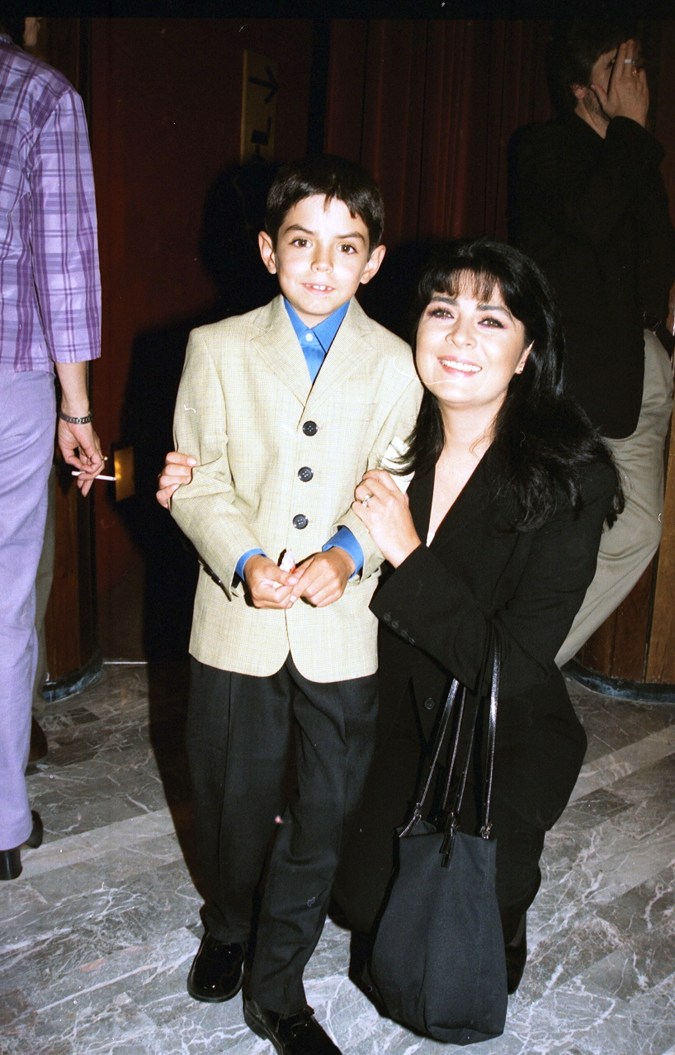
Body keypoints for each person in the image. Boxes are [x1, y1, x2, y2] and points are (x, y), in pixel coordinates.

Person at [163, 155, 421, 1055]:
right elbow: (196, 482)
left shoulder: (397, 365)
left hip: (342, 632)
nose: (322, 265)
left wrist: (348, 554)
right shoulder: (218, 348)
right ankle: (229, 921)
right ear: (269, 250)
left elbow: (392, 478)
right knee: (232, 801)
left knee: (325, 809)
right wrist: (243, 557)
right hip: (237, 621)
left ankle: (279, 987)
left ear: (373, 261)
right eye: (303, 243)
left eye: (346, 247)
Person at [330, 237, 623, 996]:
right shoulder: (389, 441)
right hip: (392, 716)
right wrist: (197, 477)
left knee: (455, 943)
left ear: (527, 352)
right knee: (356, 903)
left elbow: (512, 665)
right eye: (442, 311)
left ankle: (510, 895)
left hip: (498, 729)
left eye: (491, 321)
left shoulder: (571, 479)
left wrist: (407, 552)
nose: (459, 336)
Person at [508, 20, 675, 666]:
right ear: (582, 89)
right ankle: (511, 670)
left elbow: (650, 256)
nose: (636, 76)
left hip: (641, 370)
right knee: (549, 530)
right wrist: (632, 133)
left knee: (635, 528)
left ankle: (524, 664)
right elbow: (587, 222)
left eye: (636, 61)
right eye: (617, 65)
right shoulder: (542, 147)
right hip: (574, 375)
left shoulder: (634, 160)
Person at [0, 16, 104, 882]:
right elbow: (60, 267)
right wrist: (77, 408)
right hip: (8, 374)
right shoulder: (40, 94)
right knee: (1, 597)